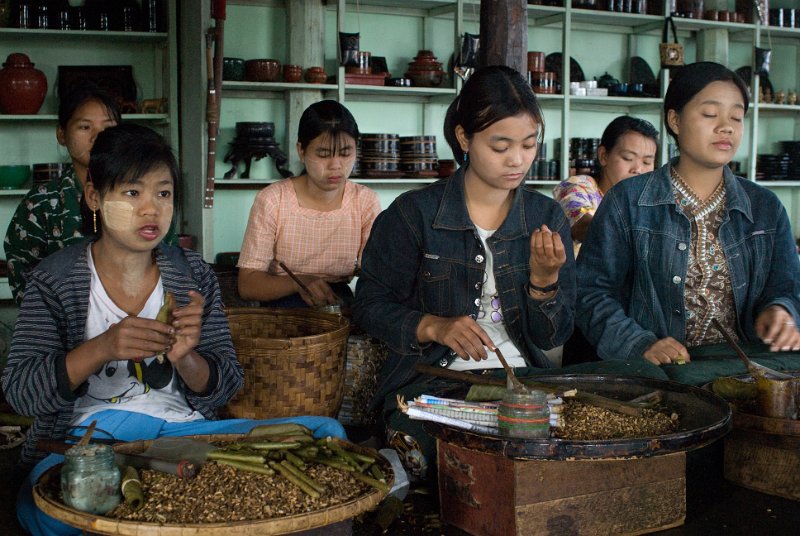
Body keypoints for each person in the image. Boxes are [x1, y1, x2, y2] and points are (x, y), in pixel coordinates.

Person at [1, 124, 345, 536]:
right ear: (94, 195)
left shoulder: (191, 274)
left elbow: (225, 386)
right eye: (132, 193)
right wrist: (102, 348)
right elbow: (21, 391)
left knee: (325, 434)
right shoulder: (54, 280)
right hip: (91, 441)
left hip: (183, 434)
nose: (151, 209)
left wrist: (186, 357)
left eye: (162, 193)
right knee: (41, 506)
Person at [353, 65, 575, 478]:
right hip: (434, 385)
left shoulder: (546, 217)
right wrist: (432, 326)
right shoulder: (413, 214)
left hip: (525, 385)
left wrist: (545, 283)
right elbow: (368, 306)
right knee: (442, 456)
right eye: (500, 145)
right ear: (463, 138)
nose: (518, 159)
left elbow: (552, 336)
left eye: (529, 144)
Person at [576, 62, 800, 374]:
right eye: (710, 114)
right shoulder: (628, 201)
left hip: (747, 370)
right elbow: (591, 293)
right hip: (661, 374)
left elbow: (787, 286)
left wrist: (781, 311)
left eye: (736, 117)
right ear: (675, 120)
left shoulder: (765, 207)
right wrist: (640, 344)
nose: (726, 127)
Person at [237, 100, 380, 308]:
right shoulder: (273, 200)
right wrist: (301, 282)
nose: (336, 166)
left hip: (339, 302)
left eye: (346, 153)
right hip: (282, 306)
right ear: (301, 151)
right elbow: (248, 284)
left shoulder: (365, 201)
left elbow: (377, 274)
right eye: (323, 154)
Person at [3, 83, 121, 305]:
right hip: (65, 332)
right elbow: (26, 286)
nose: (98, 136)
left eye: (108, 127)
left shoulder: (144, 197)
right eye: (85, 127)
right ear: (62, 134)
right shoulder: (40, 204)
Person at [552, 115, 658, 255]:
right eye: (628, 158)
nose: (638, 170)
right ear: (603, 156)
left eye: (646, 162)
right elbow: (584, 227)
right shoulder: (578, 187)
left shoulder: (651, 201)